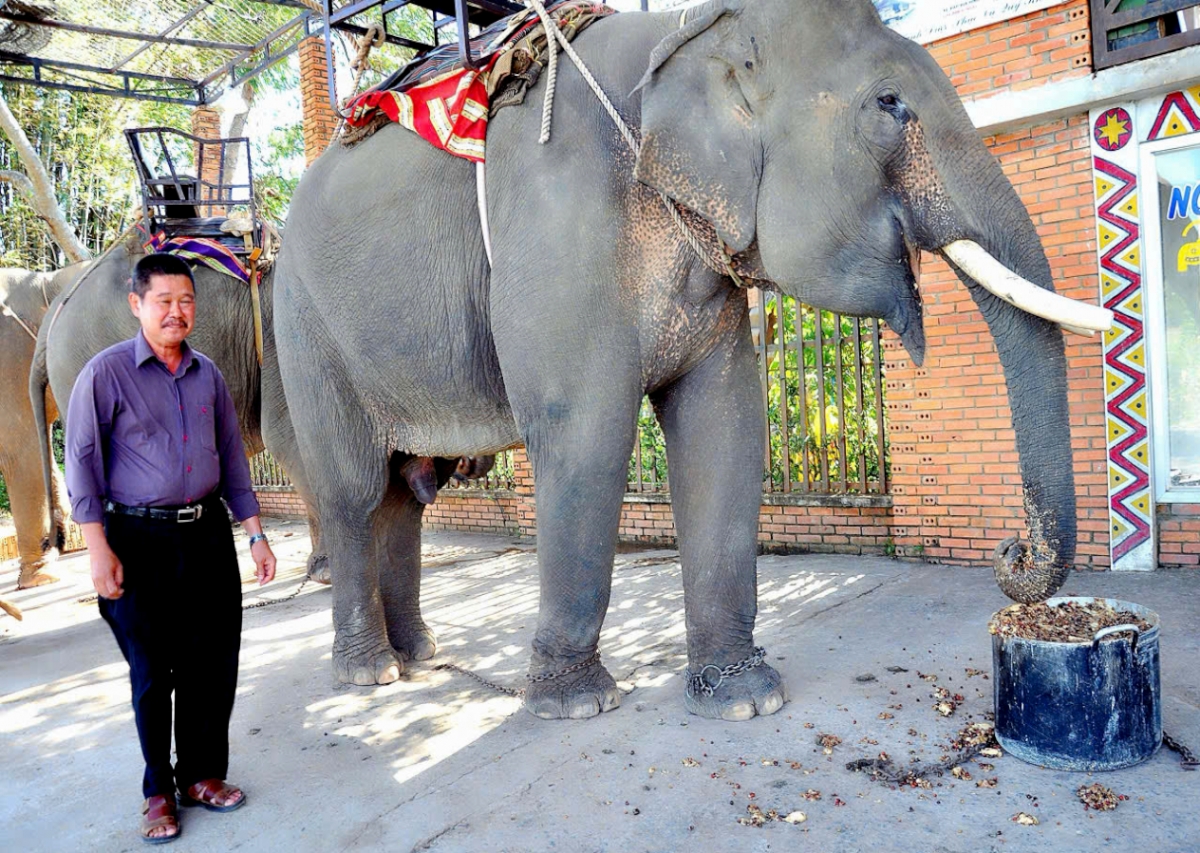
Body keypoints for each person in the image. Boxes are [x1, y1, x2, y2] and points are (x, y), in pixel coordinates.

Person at [66, 253, 277, 844]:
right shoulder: (105, 374)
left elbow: (232, 458)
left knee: (213, 664)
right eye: (164, 301)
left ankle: (202, 776)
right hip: (138, 538)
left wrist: (254, 533)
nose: (176, 312)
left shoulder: (207, 373)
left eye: (186, 301)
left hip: (206, 533)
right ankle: (159, 788)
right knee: (153, 670)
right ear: (137, 305)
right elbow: (80, 462)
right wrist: (96, 547)